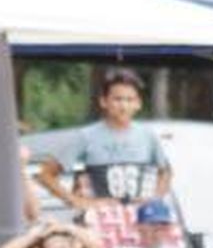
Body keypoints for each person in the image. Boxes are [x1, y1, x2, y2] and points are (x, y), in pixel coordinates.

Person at [36, 68, 170, 209]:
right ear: (104, 101)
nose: (123, 106)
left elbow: (166, 172)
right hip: (99, 220)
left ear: (138, 104)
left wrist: (155, 199)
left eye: (130, 100)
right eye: (117, 99)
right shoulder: (86, 136)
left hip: (138, 220)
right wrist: (75, 200)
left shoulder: (147, 135)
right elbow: (46, 175)